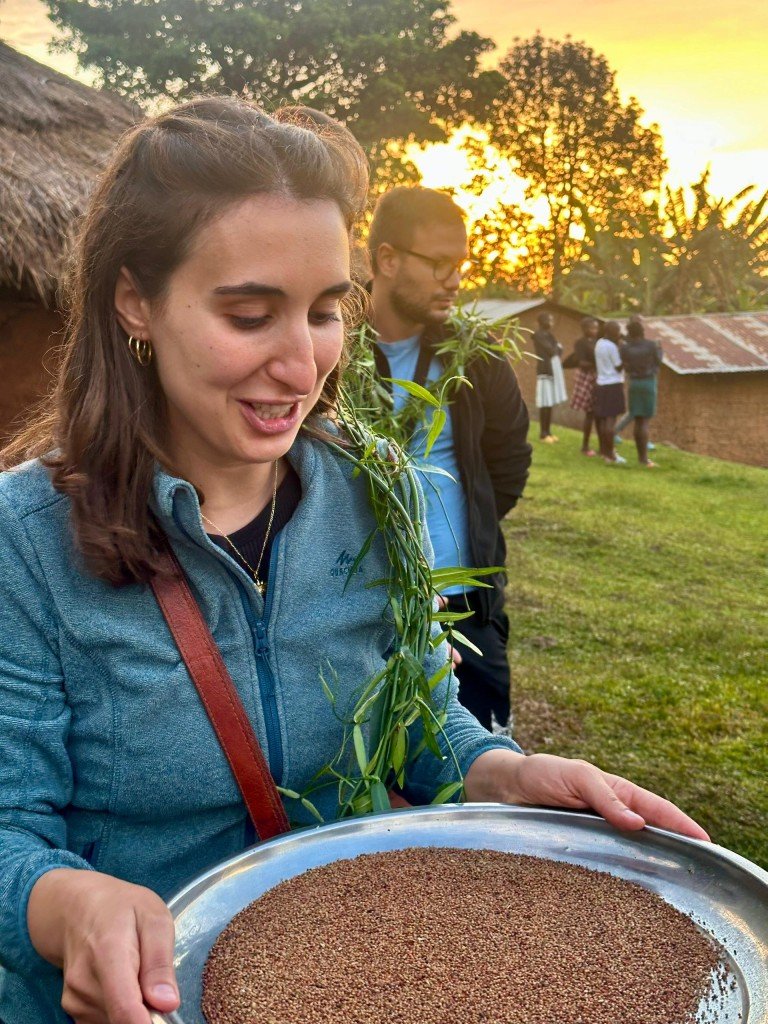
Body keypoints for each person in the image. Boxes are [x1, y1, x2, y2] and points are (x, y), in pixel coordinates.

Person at [0, 99, 709, 1024]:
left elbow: (416, 711)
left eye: (328, 312)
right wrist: (64, 904)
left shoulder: (376, 490)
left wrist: (496, 771)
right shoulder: (25, 543)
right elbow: (10, 826)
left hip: (339, 979)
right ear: (136, 300)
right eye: (251, 314)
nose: (304, 366)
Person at [366, 186, 531, 730]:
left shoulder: (479, 360)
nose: (454, 280)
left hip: (467, 603)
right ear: (387, 259)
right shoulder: (329, 353)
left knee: (483, 765)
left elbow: (508, 463)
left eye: (459, 264)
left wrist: (471, 528)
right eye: (438, 263)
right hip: (365, 606)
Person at [620, 316, 663, 467]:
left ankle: (641, 457)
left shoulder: (625, 348)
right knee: (644, 421)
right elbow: (659, 361)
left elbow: (623, 365)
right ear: (643, 332)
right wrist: (660, 349)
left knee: (637, 419)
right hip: (648, 382)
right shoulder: (652, 345)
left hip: (634, 383)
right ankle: (644, 459)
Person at [562, 315, 600, 456]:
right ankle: (585, 446)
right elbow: (581, 362)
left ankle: (602, 446)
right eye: (592, 328)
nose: (595, 330)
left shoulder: (597, 341)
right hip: (587, 377)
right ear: (584, 329)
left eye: (596, 327)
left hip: (597, 376)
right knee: (589, 413)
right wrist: (597, 364)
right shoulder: (581, 343)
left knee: (597, 413)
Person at [593, 320, 627, 465]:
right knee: (610, 422)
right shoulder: (612, 347)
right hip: (613, 384)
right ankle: (611, 454)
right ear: (613, 331)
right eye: (618, 330)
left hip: (601, 383)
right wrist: (624, 352)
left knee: (603, 419)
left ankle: (604, 451)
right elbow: (619, 367)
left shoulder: (599, 343)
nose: (620, 333)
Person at [532, 312, 568, 442]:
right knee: (545, 403)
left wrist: (557, 348)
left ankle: (548, 432)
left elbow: (559, 350)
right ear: (542, 321)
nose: (551, 322)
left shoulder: (549, 335)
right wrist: (556, 348)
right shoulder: (538, 335)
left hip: (553, 370)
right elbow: (553, 350)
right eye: (549, 319)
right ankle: (543, 433)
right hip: (545, 371)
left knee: (550, 402)